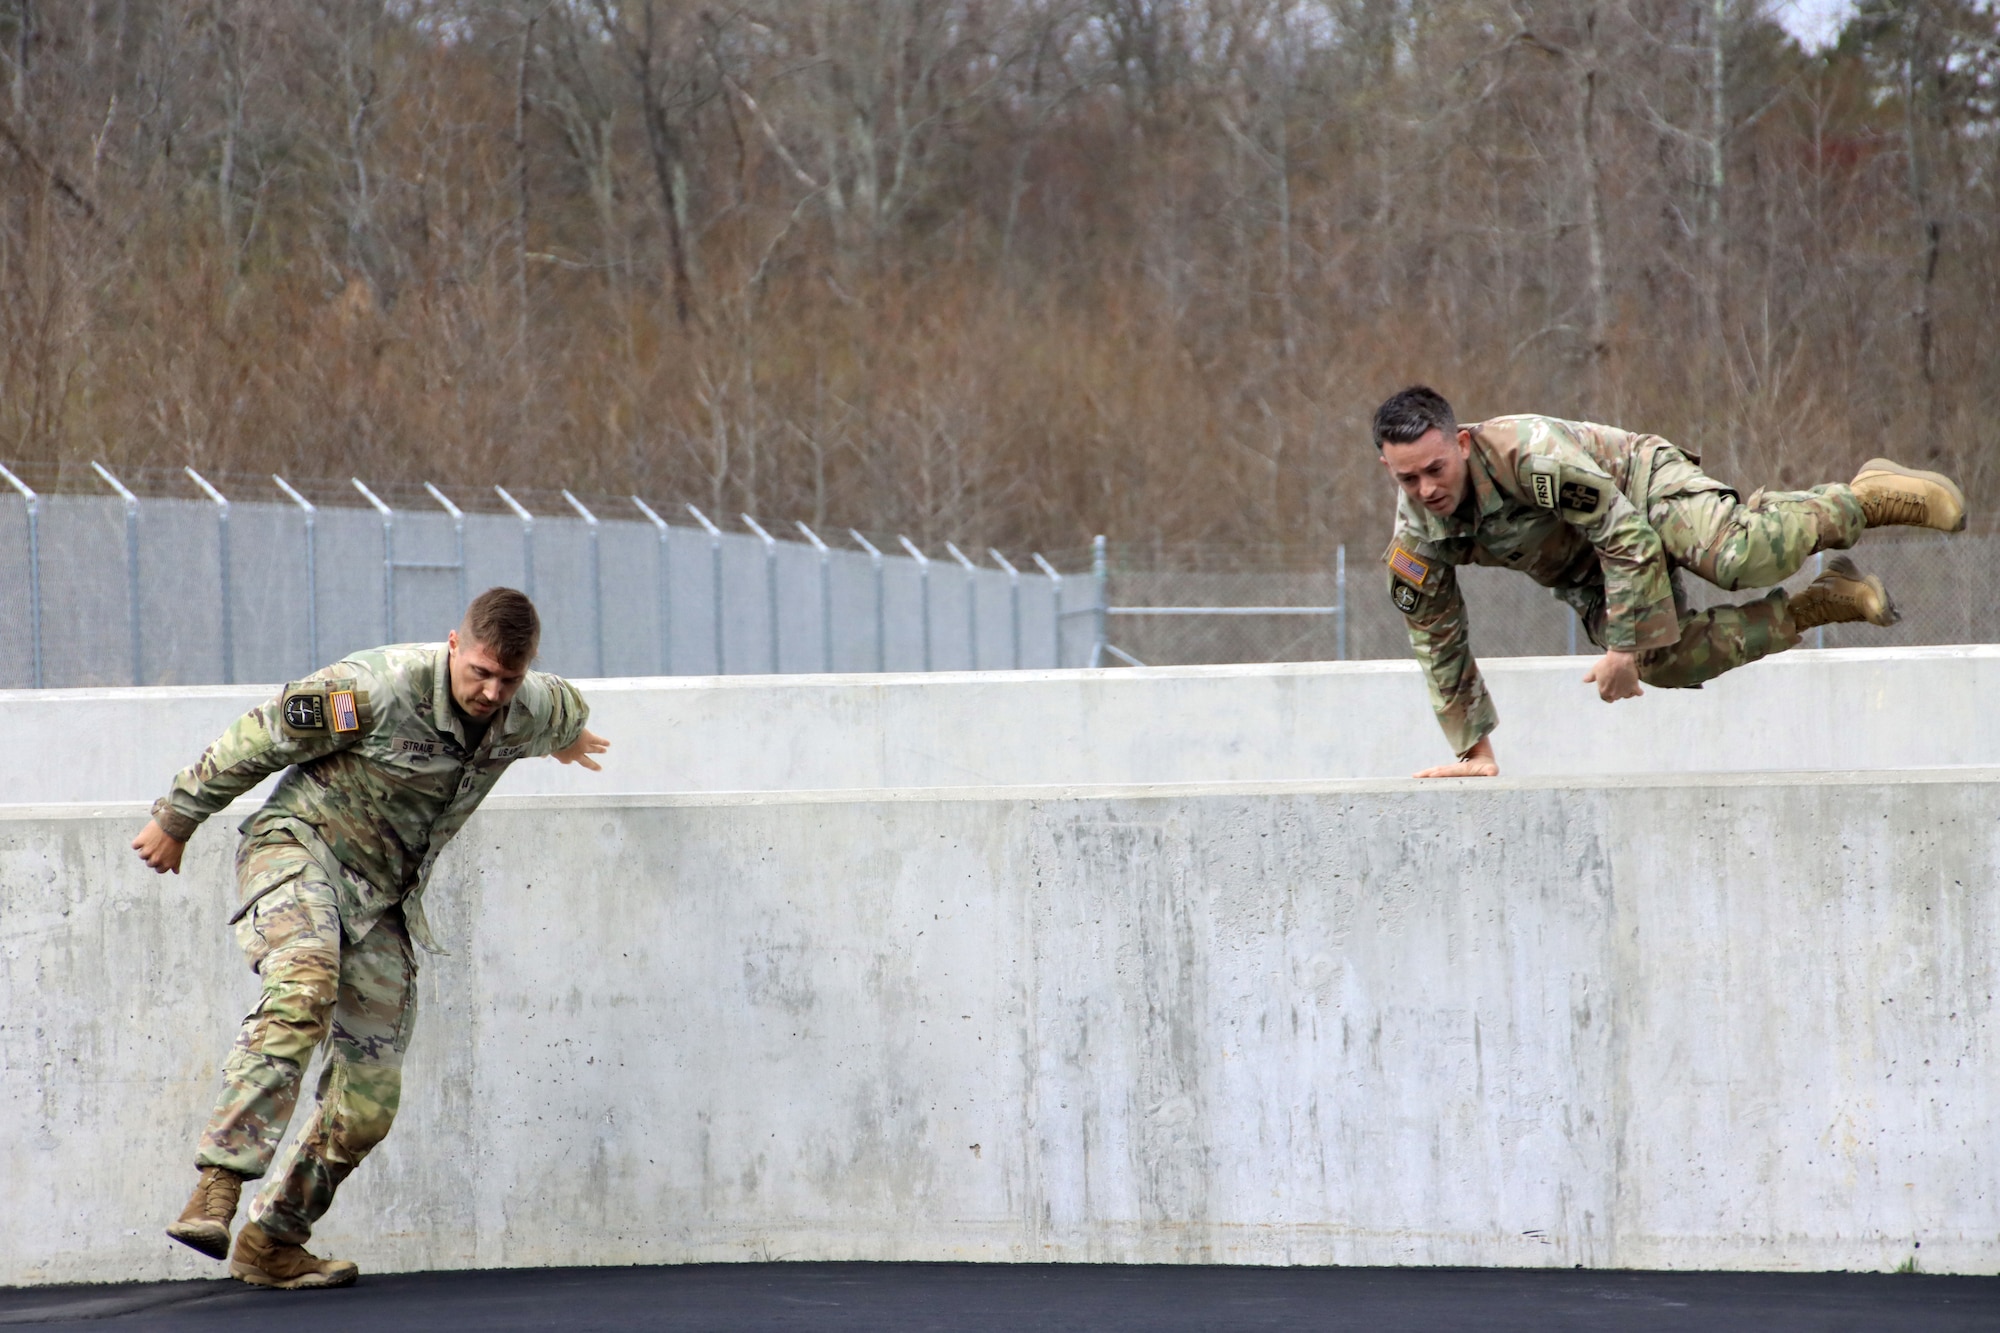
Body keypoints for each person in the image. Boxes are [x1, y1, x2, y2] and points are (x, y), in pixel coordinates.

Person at [132, 587, 610, 1288]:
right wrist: (177, 815)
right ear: (454, 643)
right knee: (305, 985)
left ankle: (272, 1242)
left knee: (369, 1101)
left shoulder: (535, 706)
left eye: (508, 678)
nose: (490, 690)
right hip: (299, 851)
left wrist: (567, 742)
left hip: (380, 898)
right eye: (479, 670)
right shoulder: (376, 688)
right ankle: (218, 1185)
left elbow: (563, 715)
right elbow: (261, 735)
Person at [1374, 386, 1967, 778]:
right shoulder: (1415, 545)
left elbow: (1625, 535)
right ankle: (1820, 604)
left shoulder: (1527, 455)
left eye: (1436, 468)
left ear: (1461, 443)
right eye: (1409, 479)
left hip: (1638, 491)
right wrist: (1475, 751)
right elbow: (1438, 642)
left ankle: (1864, 498)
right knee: (1665, 662)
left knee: (1739, 556)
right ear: (1388, 470)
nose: (1427, 488)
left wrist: (1621, 646)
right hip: (1591, 570)